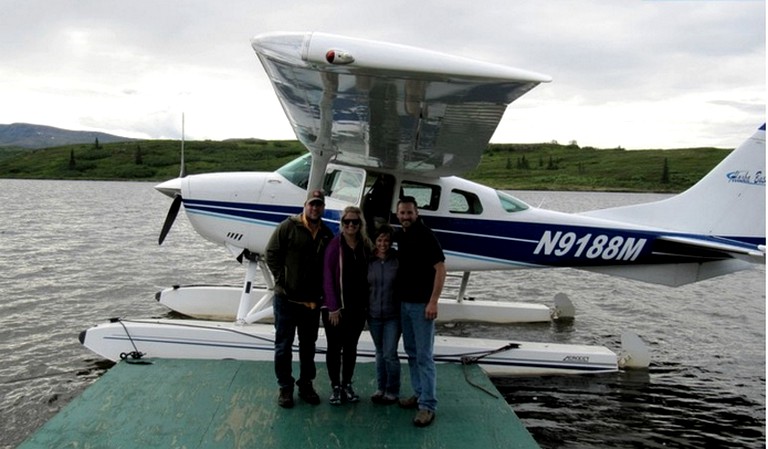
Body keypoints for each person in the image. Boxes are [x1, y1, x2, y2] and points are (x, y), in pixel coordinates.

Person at [266, 189, 334, 408]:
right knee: (283, 345)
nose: (315, 208)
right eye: (311, 204)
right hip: (286, 300)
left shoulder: (326, 233)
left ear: (323, 208)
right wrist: (281, 280)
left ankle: (306, 384)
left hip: (311, 303)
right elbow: (271, 253)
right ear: (305, 206)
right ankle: (285, 387)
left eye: (319, 205)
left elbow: (330, 266)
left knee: (308, 346)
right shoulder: (288, 226)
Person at [394, 196, 446, 427]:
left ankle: (428, 406)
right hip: (404, 303)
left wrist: (433, 301)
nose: (406, 217)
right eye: (402, 213)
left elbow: (440, 268)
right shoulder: (402, 236)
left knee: (424, 356)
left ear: (417, 213)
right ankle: (419, 393)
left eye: (409, 213)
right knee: (412, 351)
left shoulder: (426, 235)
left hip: (421, 305)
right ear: (397, 215)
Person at [322, 206, 372, 405]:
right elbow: (326, 277)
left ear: (360, 225)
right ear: (341, 224)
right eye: (346, 222)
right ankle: (335, 386)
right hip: (336, 310)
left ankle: (347, 384)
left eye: (355, 222)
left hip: (357, 308)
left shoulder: (365, 246)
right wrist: (333, 307)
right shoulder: (335, 246)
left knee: (351, 347)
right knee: (334, 348)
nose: (350, 225)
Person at [367, 224, 401, 405]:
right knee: (379, 352)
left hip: (393, 315)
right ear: (375, 241)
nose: (383, 243)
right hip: (373, 314)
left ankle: (393, 390)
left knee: (390, 353)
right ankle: (381, 388)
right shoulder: (369, 260)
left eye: (386, 240)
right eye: (380, 240)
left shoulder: (397, 260)